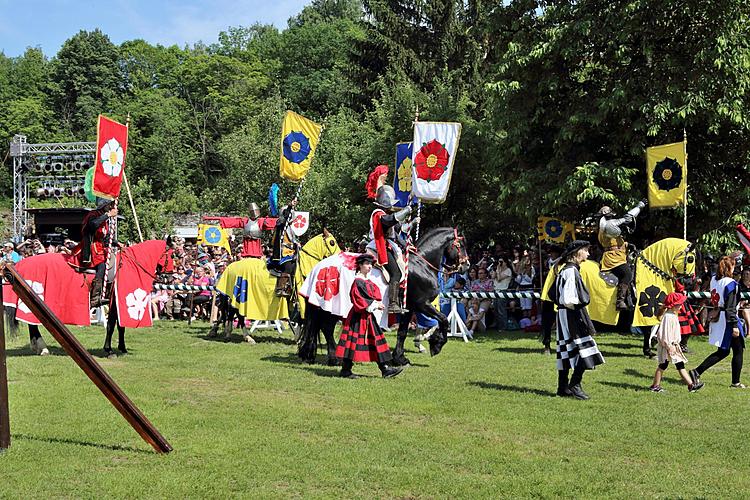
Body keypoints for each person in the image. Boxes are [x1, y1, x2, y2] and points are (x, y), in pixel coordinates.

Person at [551, 240, 605, 400]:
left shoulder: (564, 270)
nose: (588, 254)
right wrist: (579, 314)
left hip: (563, 314)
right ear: (576, 253)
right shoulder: (570, 271)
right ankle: (574, 384)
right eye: (586, 251)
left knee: (565, 350)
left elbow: (553, 294)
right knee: (585, 349)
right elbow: (568, 299)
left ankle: (562, 387)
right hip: (571, 314)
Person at [336, 253, 403, 379]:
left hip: (367, 316)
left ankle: (385, 369)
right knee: (353, 343)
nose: (370, 267)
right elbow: (359, 299)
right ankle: (346, 370)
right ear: (360, 265)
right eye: (367, 264)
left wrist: (376, 302)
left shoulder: (366, 281)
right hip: (358, 316)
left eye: (371, 264)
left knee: (375, 340)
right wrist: (374, 305)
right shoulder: (358, 281)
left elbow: (373, 294)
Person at [690, 256, 747, 388]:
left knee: (724, 351)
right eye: (733, 266)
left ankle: (696, 372)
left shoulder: (714, 281)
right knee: (738, 351)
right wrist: (734, 325)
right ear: (729, 268)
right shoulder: (731, 283)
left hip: (719, 316)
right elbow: (731, 306)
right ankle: (735, 382)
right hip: (728, 319)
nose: (735, 269)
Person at [365, 165, 413, 314]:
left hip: (389, 244)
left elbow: (397, 231)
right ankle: (392, 304)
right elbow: (388, 221)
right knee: (396, 273)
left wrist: (413, 222)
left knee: (400, 270)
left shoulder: (383, 213)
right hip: (379, 246)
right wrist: (406, 210)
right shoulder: (378, 213)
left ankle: (396, 300)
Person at [649, 293, 705, 393]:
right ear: (673, 305)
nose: (681, 306)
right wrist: (669, 346)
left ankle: (691, 385)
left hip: (673, 346)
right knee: (664, 365)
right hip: (668, 346)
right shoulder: (668, 317)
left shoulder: (673, 316)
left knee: (679, 365)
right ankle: (655, 386)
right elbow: (663, 334)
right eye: (679, 304)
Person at [597, 200, 647, 310]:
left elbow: (617, 242)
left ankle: (630, 299)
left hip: (620, 255)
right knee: (627, 275)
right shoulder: (606, 228)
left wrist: (628, 245)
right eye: (609, 216)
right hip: (613, 258)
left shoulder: (611, 228)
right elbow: (613, 243)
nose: (611, 218)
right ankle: (620, 301)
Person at [71, 198, 118, 307]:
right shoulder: (93, 214)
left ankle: (106, 292)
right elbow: (92, 226)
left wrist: (117, 243)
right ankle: (94, 297)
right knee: (101, 266)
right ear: (104, 205)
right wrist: (108, 215)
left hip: (100, 248)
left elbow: (105, 237)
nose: (111, 207)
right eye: (109, 205)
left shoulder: (104, 219)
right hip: (91, 247)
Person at [208, 202, 277, 259]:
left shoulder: (261, 221)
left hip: (256, 243)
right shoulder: (244, 221)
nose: (254, 212)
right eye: (252, 211)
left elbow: (273, 222)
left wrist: (282, 221)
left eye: (256, 211)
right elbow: (233, 221)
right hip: (247, 243)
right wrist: (212, 218)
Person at [268, 197, 299, 297]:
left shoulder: (289, 228)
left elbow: (293, 240)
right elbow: (285, 217)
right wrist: (290, 206)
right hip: (282, 251)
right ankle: (280, 288)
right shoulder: (281, 224)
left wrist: (297, 244)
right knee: (288, 265)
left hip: (290, 251)